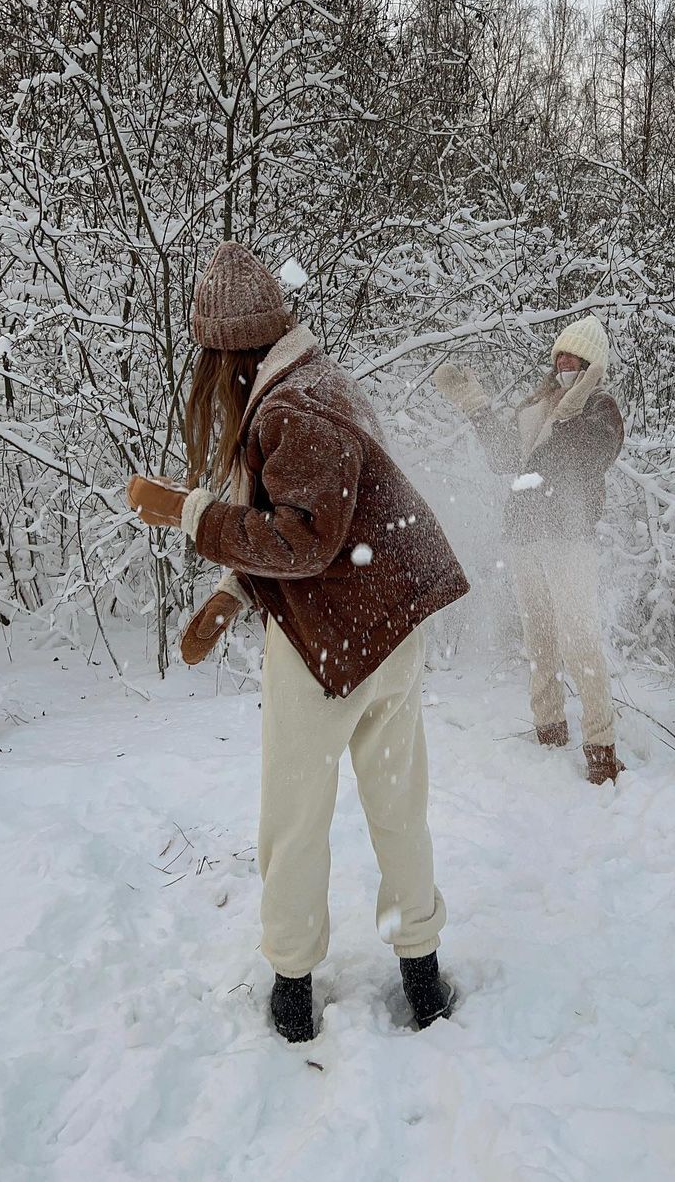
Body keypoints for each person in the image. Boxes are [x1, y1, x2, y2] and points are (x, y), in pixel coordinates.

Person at [126, 242, 468, 1042]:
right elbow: (302, 519)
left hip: (327, 651)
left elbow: (303, 541)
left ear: (226, 351)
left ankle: (290, 991)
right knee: (398, 808)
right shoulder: (317, 384)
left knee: (293, 821)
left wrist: (187, 512)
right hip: (387, 631)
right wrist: (228, 594)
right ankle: (422, 977)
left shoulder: (290, 408)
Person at [433, 315, 625, 785]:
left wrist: (571, 407)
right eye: (559, 353)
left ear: (591, 365)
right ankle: (549, 728)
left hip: (568, 537)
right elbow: (505, 457)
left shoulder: (601, 409)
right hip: (524, 536)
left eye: (574, 357)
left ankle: (600, 747)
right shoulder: (535, 405)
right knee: (539, 637)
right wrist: (475, 405)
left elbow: (587, 457)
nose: (563, 362)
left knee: (579, 641)